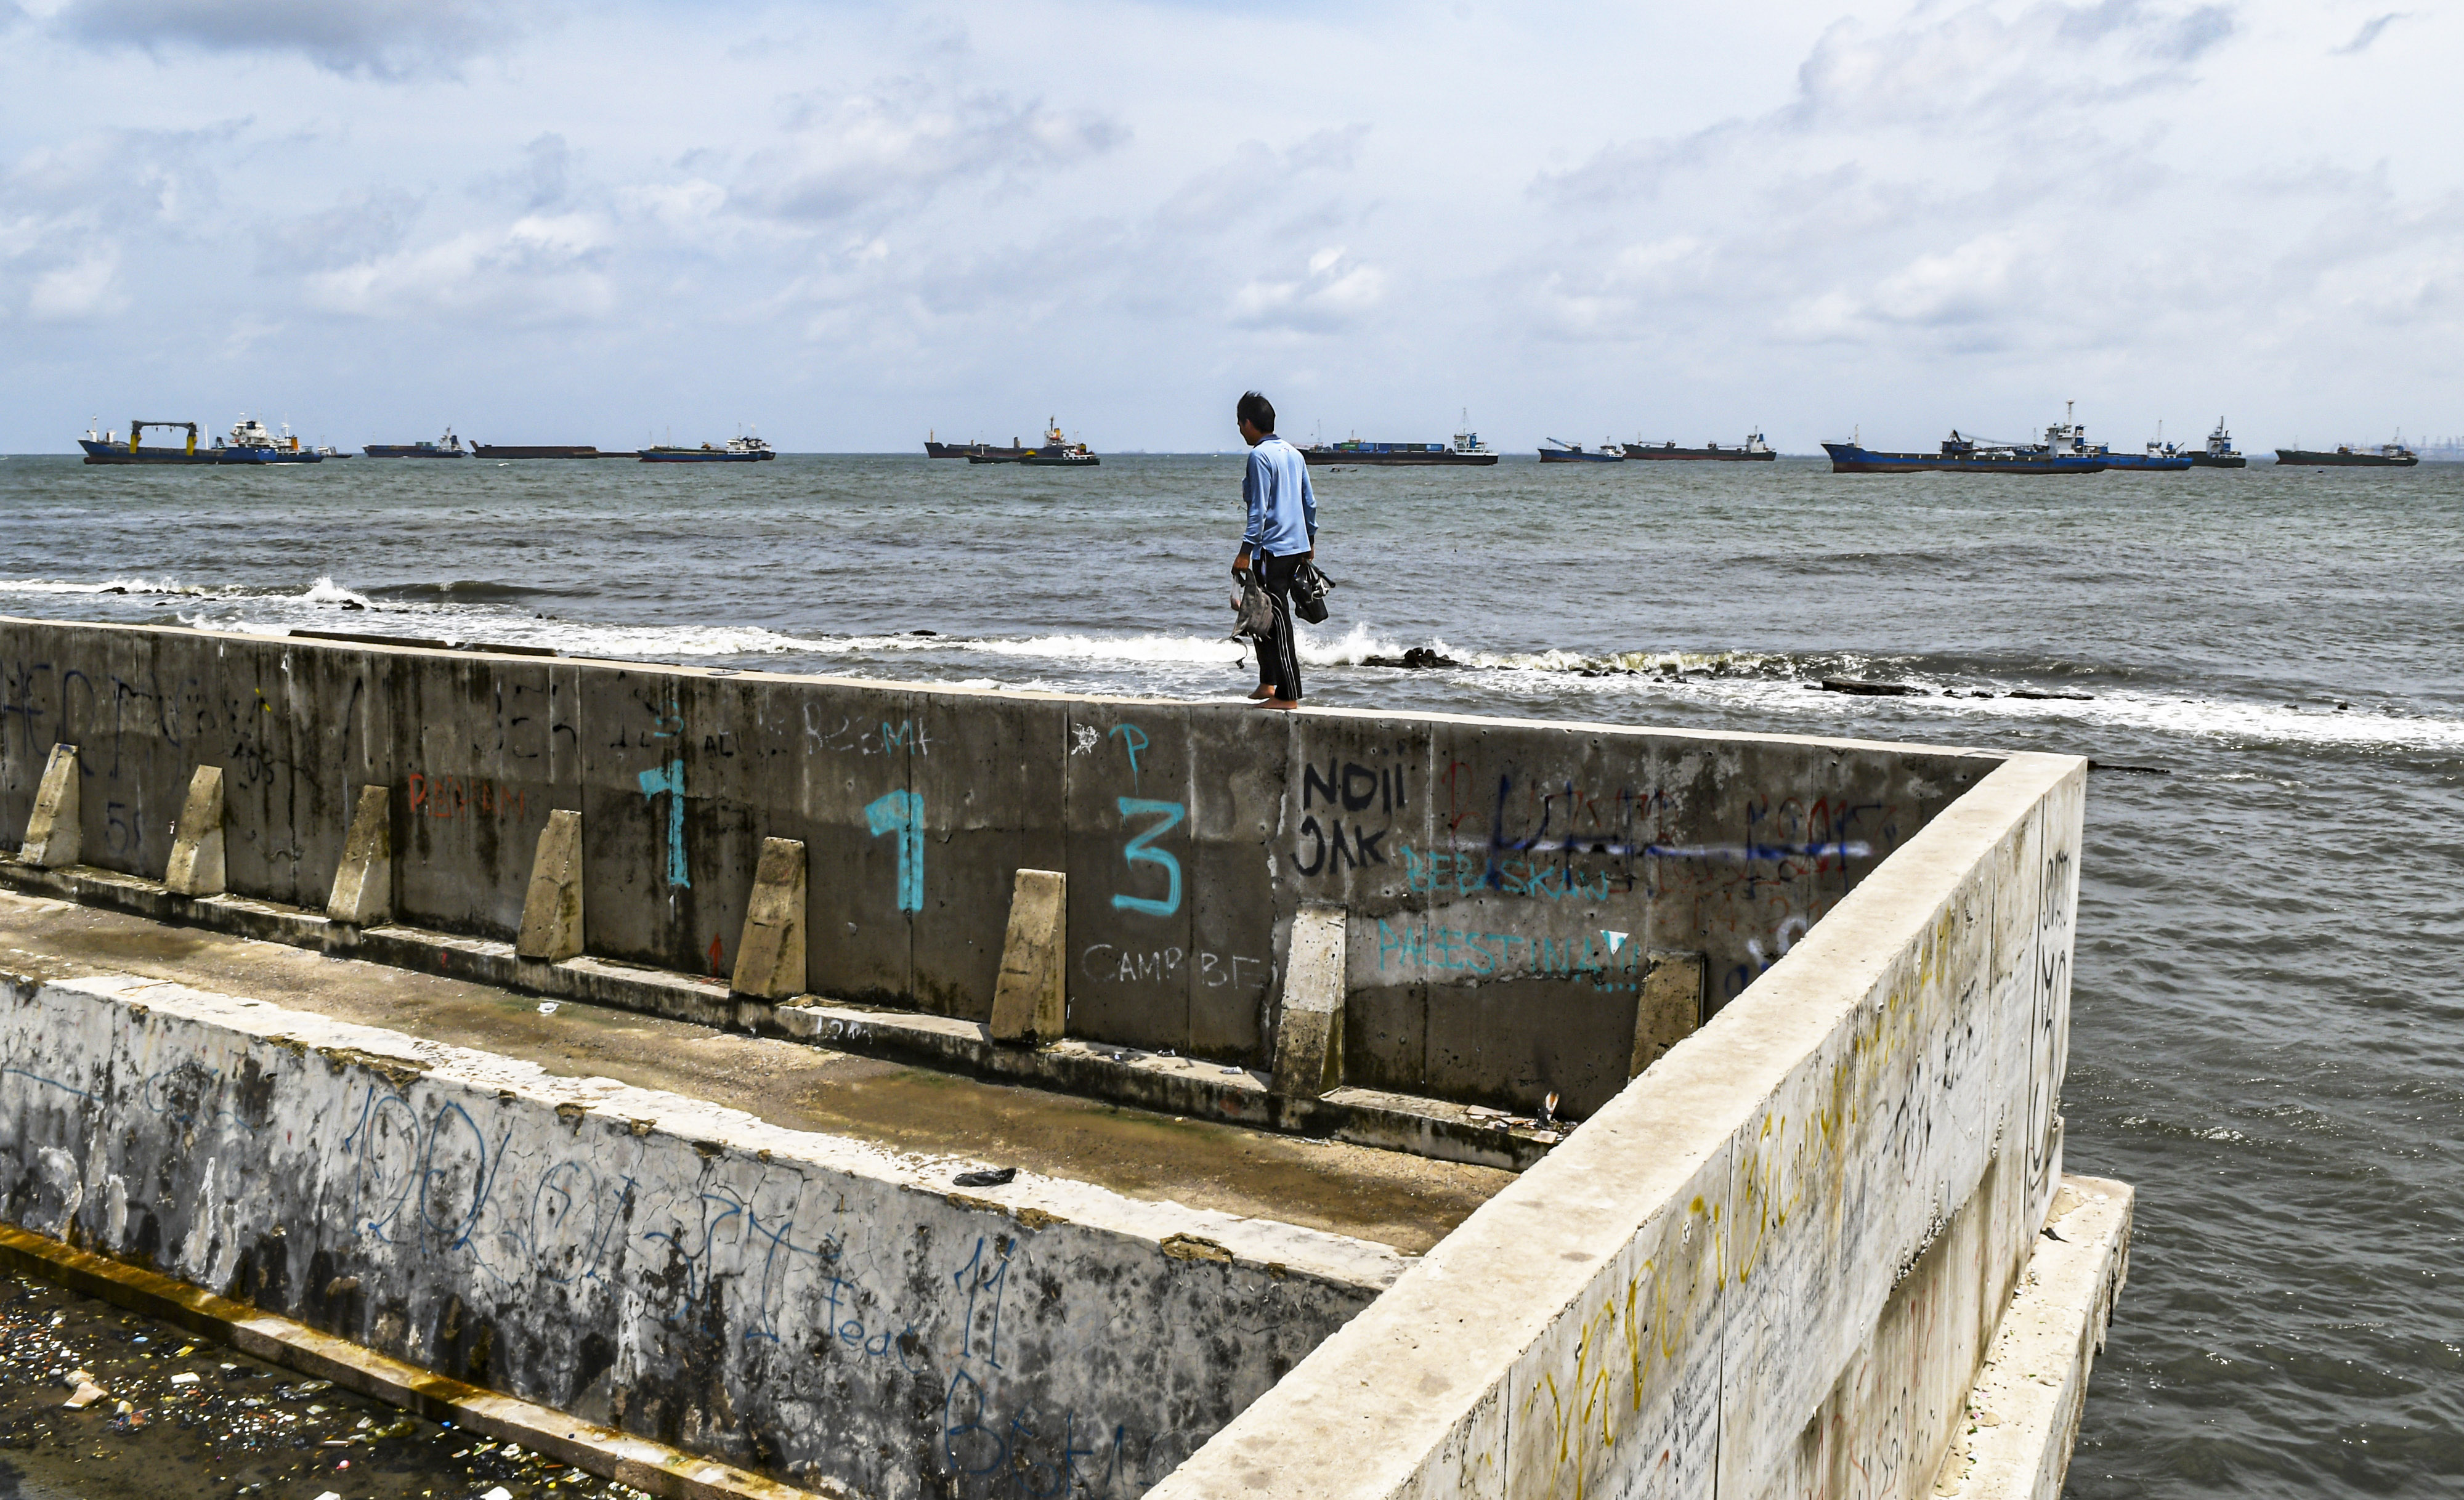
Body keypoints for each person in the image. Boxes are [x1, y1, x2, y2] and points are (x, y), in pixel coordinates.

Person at [1232, 391, 1316, 709]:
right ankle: (1268, 682)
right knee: (1260, 615)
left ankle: (1288, 695)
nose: (1240, 430)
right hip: (1295, 547)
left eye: (1240, 424)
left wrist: (1245, 551)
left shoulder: (1260, 456)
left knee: (1276, 619)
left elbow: (1259, 511)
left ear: (1250, 423)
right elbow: (1310, 503)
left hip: (1272, 550)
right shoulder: (1294, 454)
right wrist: (1310, 541)